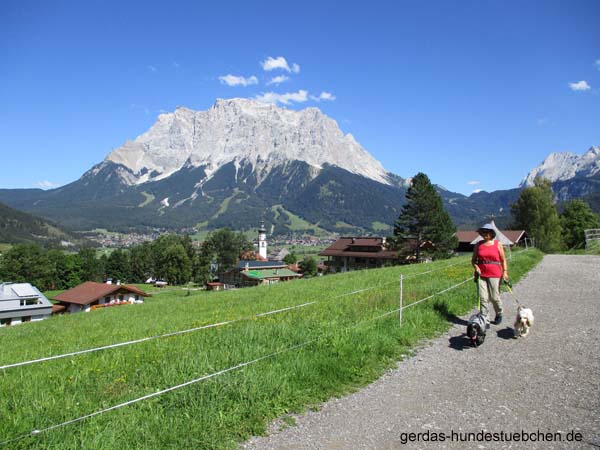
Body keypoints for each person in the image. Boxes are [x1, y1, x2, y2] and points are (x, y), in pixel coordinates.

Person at [471, 223, 509, 325]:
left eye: (487, 232)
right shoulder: (478, 245)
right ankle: (484, 319)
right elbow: (473, 260)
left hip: (495, 273)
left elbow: (503, 260)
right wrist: (476, 267)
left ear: (492, 233)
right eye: (483, 232)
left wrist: (505, 272)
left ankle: (499, 313)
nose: (485, 234)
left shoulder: (498, 244)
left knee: (494, 297)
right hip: (481, 274)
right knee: (483, 298)